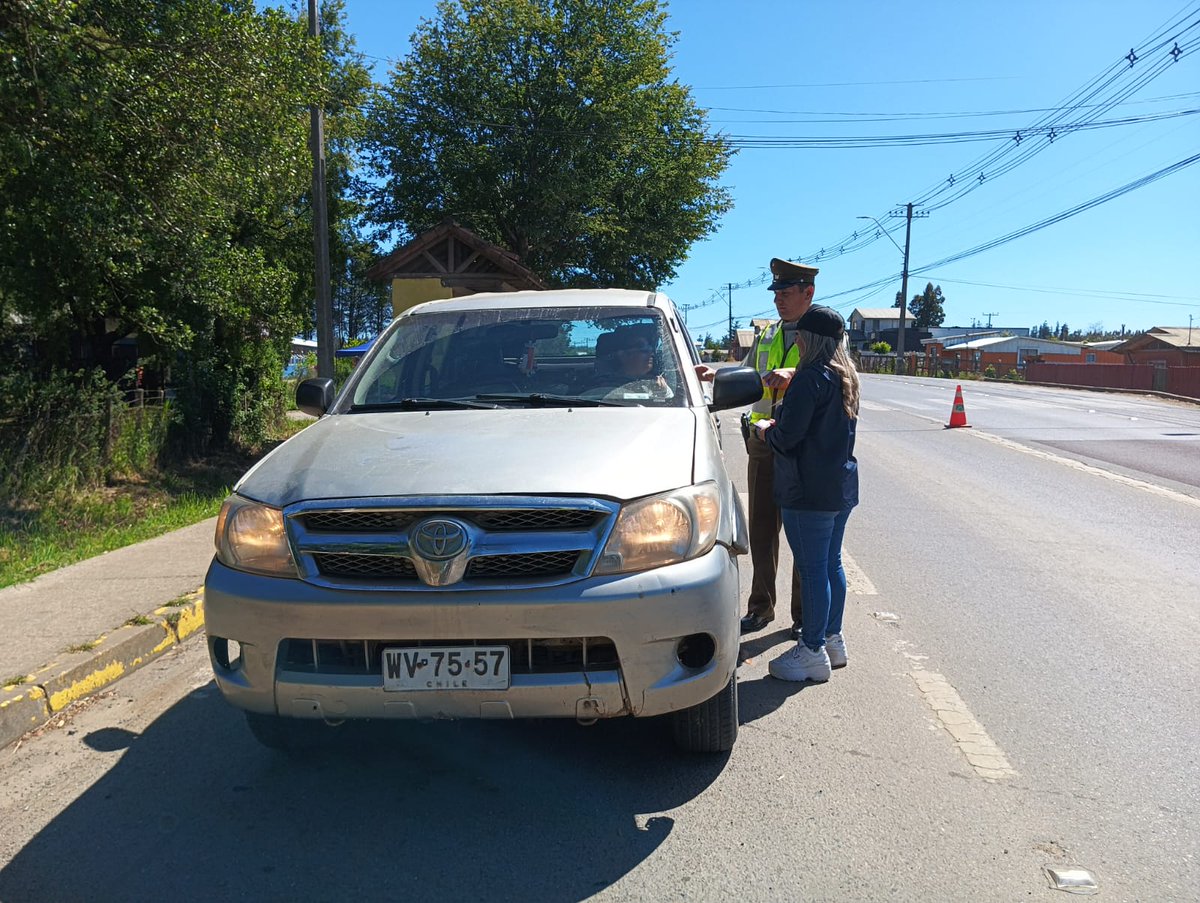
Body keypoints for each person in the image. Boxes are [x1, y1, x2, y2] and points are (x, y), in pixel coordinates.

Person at [751, 305, 860, 683]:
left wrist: (765, 429)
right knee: (831, 565)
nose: (795, 339)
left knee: (813, 570)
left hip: (807, 489)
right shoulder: (846, 377)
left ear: (810, 339)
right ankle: (832, 639)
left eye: (800, 334)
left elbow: (788, 437)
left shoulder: (809, 378)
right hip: (839, 486)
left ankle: (812, 650)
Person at [739, 257, 819, 638]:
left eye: (786, 293)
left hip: (802, 446)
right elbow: (748, 372)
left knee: (802, 533)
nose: (779, 301)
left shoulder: (824, 331)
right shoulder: (768, 333)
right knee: (762, 529)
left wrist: (796, 374)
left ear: (809, 293)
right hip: (764, 442)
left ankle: (803, 618)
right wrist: (714, 375)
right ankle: (760, 607)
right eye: (776, 293)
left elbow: (839, 375)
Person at [596, 326, 674, 399]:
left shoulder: (657, 383)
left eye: (651, 347)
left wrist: (663, 392)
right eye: (642, 347)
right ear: (622, 354)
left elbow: (671, 403)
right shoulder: (602, 386)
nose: (651, 353)